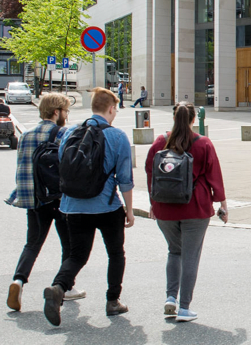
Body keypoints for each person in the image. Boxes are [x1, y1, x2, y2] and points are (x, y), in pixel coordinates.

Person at [45, 87, 135, 326]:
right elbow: (125, 179)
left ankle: (58, 287)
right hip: (106, 206)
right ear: (111, 108)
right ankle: (113, 301)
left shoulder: (70, 132)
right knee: (115, 253)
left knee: (77, 255)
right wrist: (129, 209)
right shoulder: (117, 137)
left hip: (73, 205)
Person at [5, 93, 87, 311]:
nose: (67, 116)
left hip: (34, 199)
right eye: (66, 111)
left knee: (32, 244)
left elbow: (22, 170)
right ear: (56, 112)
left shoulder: (26, 135)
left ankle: (18, 281)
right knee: (68, 244)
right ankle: (65, 287)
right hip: (59, 198)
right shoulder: (63, 134)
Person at [145, 103, 225, 322]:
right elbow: (214, 175)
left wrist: (153, 202)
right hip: (195, 207)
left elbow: (150, 171)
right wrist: (222, 205)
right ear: (194, 119)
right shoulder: (203, 143)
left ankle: (170, 297)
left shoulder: (161, 142)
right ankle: (184, 308)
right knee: (191, 256)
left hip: (164, 207)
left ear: (173, 117)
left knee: (174, 251)